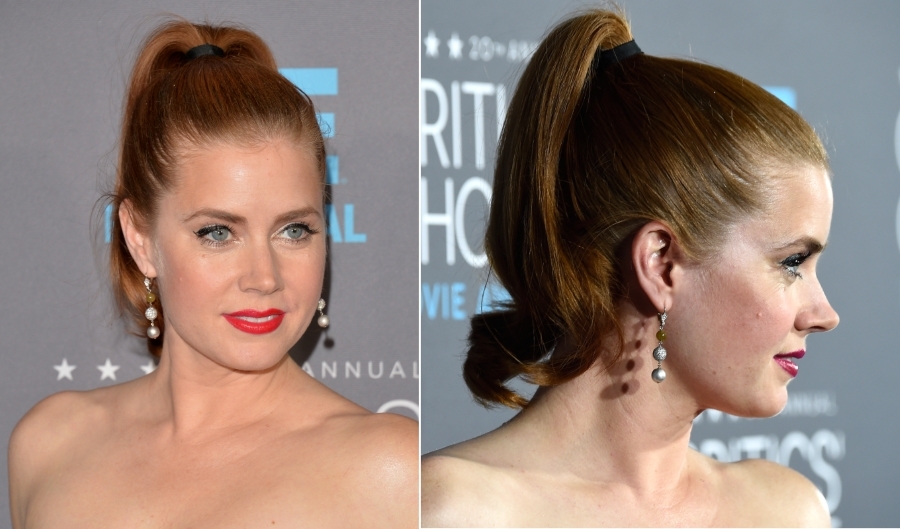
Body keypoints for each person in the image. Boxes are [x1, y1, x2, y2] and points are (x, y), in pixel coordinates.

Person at [422, 8, 839, 528]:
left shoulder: (786, 511)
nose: (825, 315)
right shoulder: (450, 512)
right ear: (661, 265)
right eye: (792, 263)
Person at [8, 20, 417, 528]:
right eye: (218, 233)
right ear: (140, 239)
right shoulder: (49, 446)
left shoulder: (390, 472)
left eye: (294, 230)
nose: (264, 277)